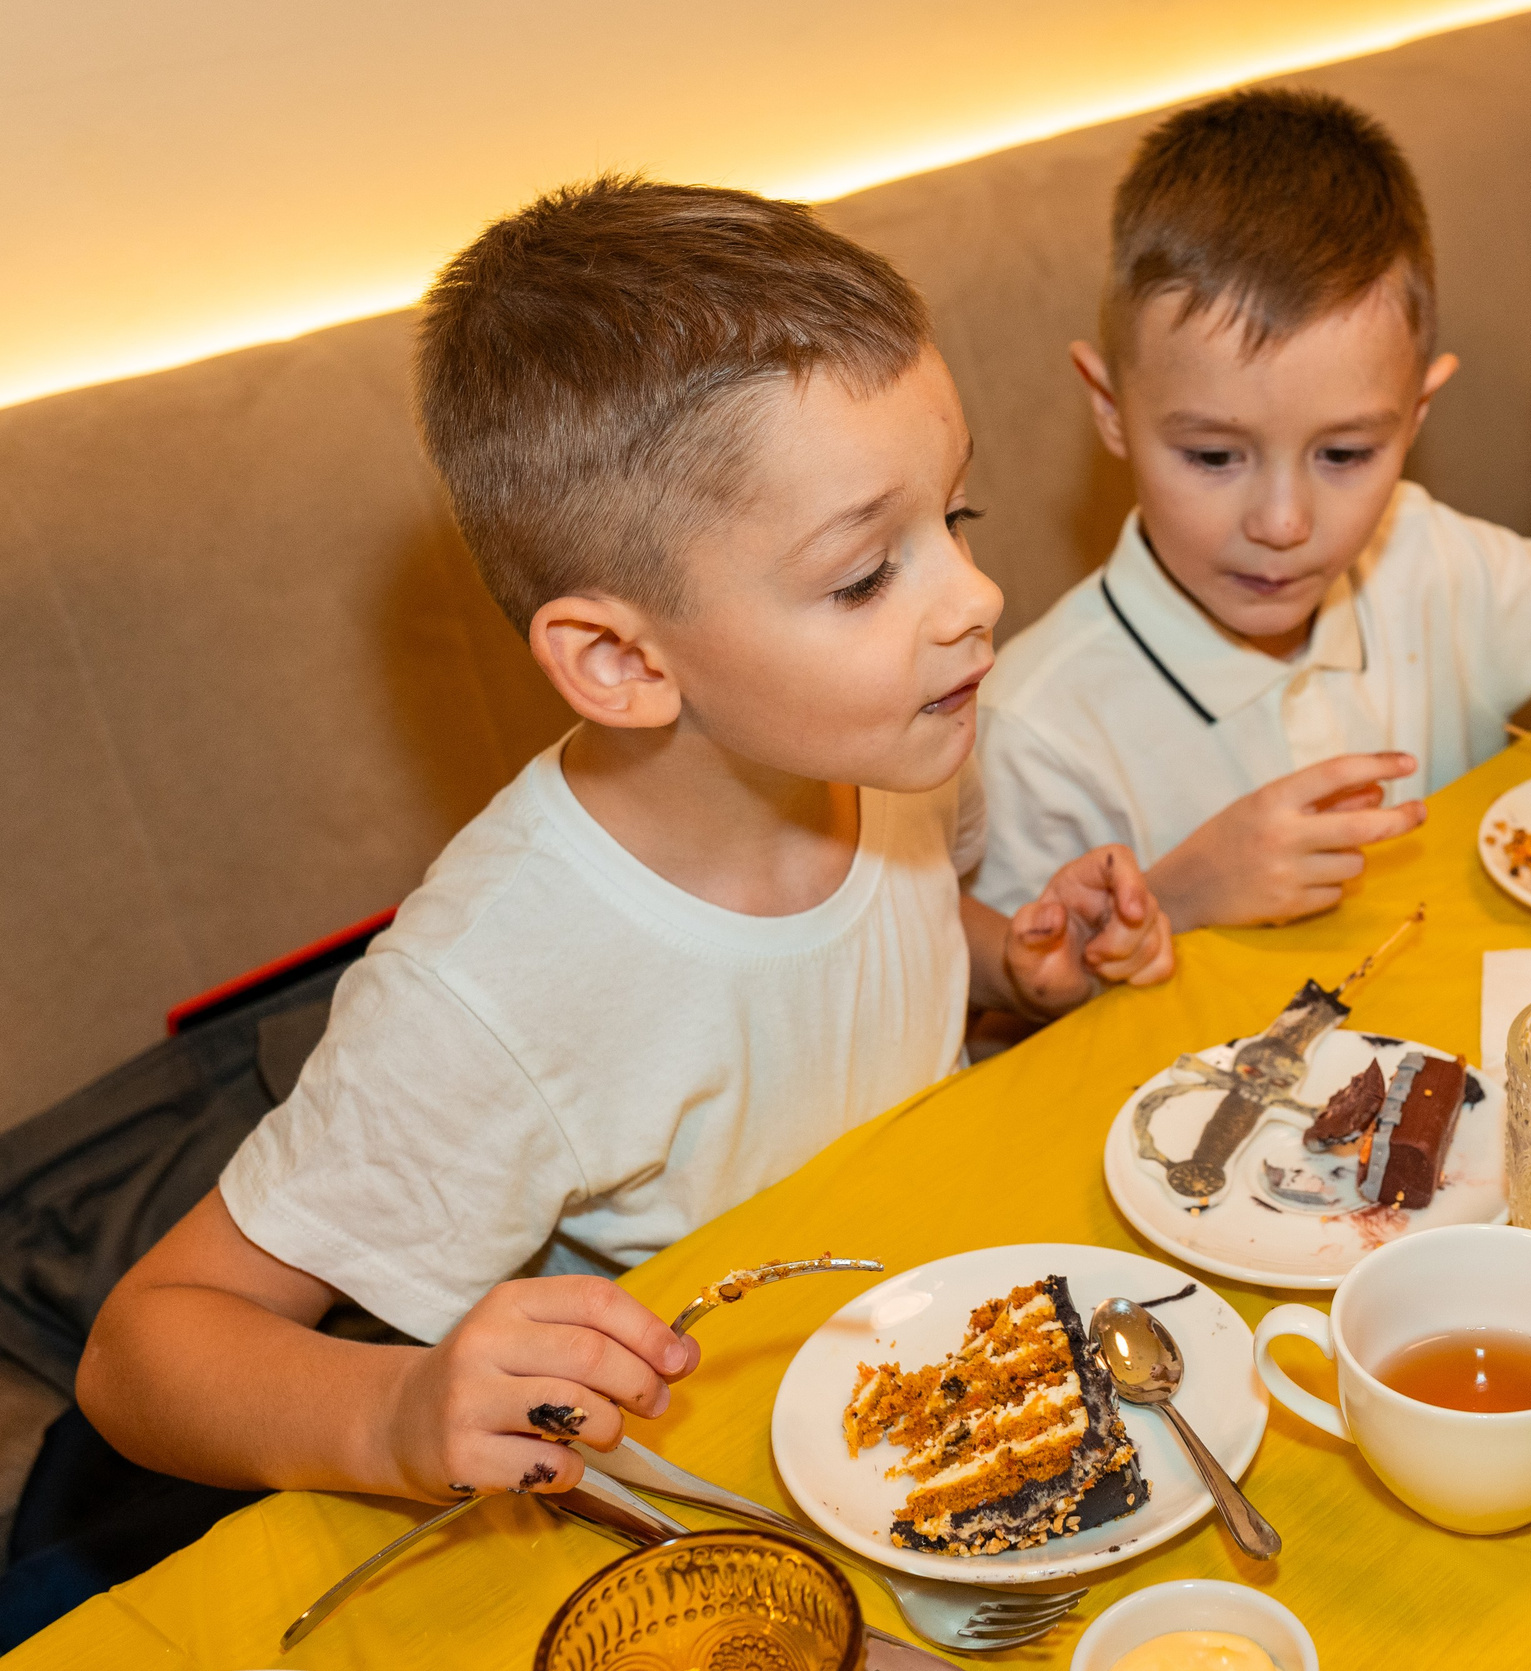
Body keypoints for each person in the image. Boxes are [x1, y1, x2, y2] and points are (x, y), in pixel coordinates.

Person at [71, 179, 1174, 1510]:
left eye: (955, 519)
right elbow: (144, 1351)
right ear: (618, 660)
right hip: (697, 1487)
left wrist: (1013, 963)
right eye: (865, 574)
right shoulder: (494, 984)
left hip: (940, 1349)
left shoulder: (888, 741)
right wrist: (401, 1409)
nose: (976, 596)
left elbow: (886, 943)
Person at [973, 90, 1531, 932]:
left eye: (1345, 455)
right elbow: (1003, 1027)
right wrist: (1175, 902)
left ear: (1416, 416)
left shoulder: (1426, 559)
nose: (1283, 523)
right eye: (1213, 456)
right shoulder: (1036, 731)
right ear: (1109, 408)